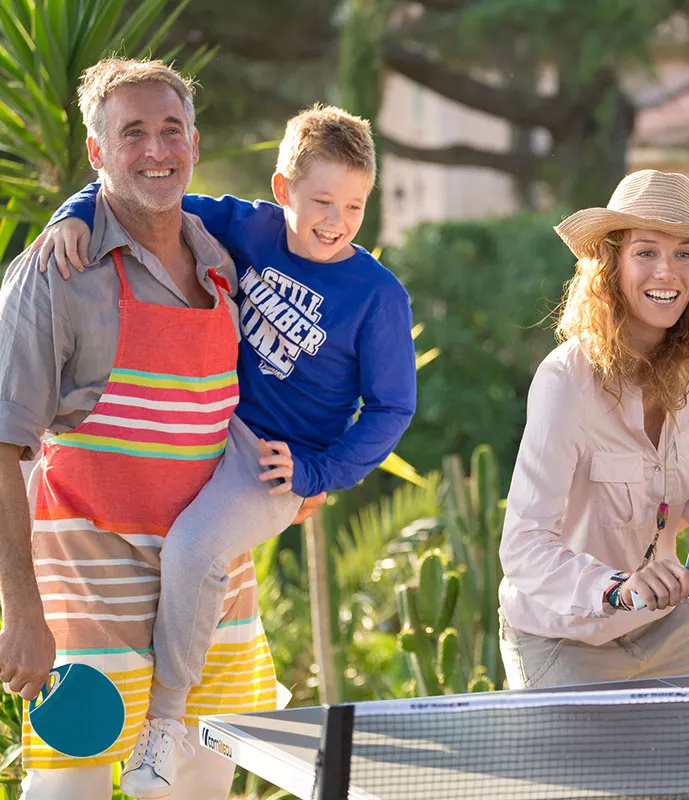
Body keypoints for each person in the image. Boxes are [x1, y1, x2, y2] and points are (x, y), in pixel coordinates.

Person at [29, 100, 417, 794]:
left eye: (354, 207)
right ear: (282, 191)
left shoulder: (377, 295)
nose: (335, 221)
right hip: (208, 423)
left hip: (270, 464)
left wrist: (316, 471)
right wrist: (73, 213)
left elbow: (392, 408)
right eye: (322, 200)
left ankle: (163, 728)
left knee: (191, 553)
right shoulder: (247, 225)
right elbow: (146, 193)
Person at [0, 58, 282, 800]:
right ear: (97, 154)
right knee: (72, 791)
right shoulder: (55, 273)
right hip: (89, 594)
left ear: (194, 142)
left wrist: (305, 475)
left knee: (198, 790)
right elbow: (2, 448)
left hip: (213, 595)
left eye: (170, 130)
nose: (156, 150)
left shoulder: (226, 265)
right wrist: (20, 612)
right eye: (132, 134)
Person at [498, 170, 689, 688]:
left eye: (684, 253)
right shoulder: (566, 383)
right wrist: (618, 588)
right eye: (646, 251)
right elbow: (523, 546)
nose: (666, 272)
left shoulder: (685, 366)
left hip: (666, 629)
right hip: (567, 640)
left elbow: (666, 481)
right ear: (611, 265)